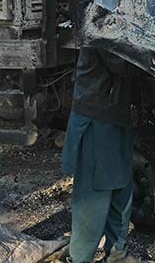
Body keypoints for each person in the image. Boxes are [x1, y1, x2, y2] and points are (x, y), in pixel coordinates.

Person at [60, 44, 140, 263]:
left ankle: (117, 254)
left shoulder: (119, 18)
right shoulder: (102, 20)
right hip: (97, 117)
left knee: (121, 189)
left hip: (117, 116)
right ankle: (79, 258)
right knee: (94, 199)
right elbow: (122, 64)